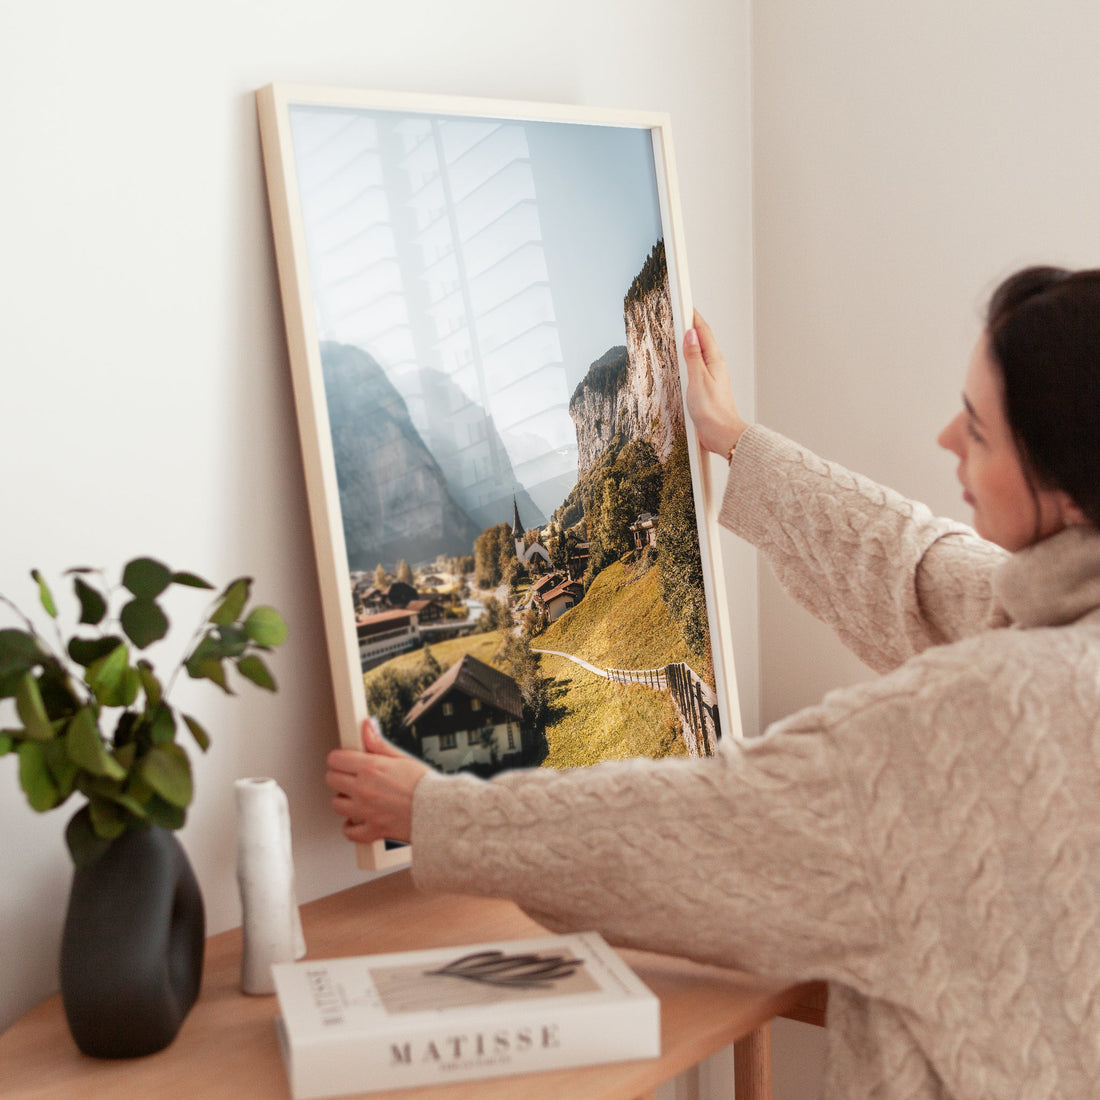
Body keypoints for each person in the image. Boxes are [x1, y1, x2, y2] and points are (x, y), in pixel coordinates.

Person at [326, 266, 1100, 1099]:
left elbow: (707, 825)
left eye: (980, 431)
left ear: (1064, 488)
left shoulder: (982, 716)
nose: (948, 437)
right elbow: (917, 568)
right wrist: (734, 439)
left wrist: (435, 811)